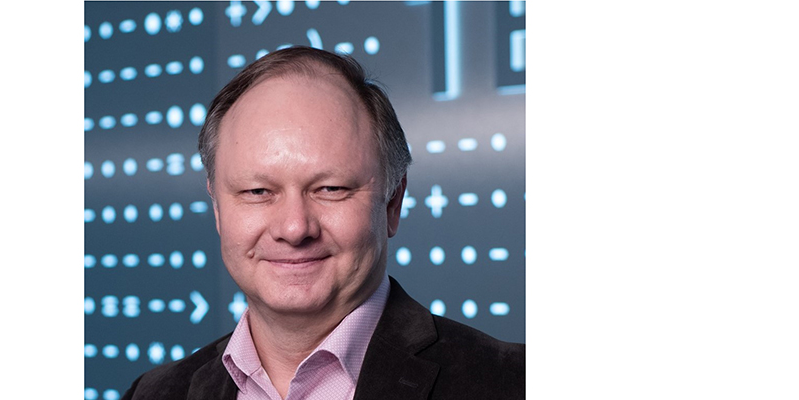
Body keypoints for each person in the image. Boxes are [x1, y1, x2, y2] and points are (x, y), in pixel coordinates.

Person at [123, 46, 524, 400]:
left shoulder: (515, 384)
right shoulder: (154, 392)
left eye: (330, 189)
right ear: (218, 209)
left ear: (392, 202)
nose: (295, 228)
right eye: (257, 192)